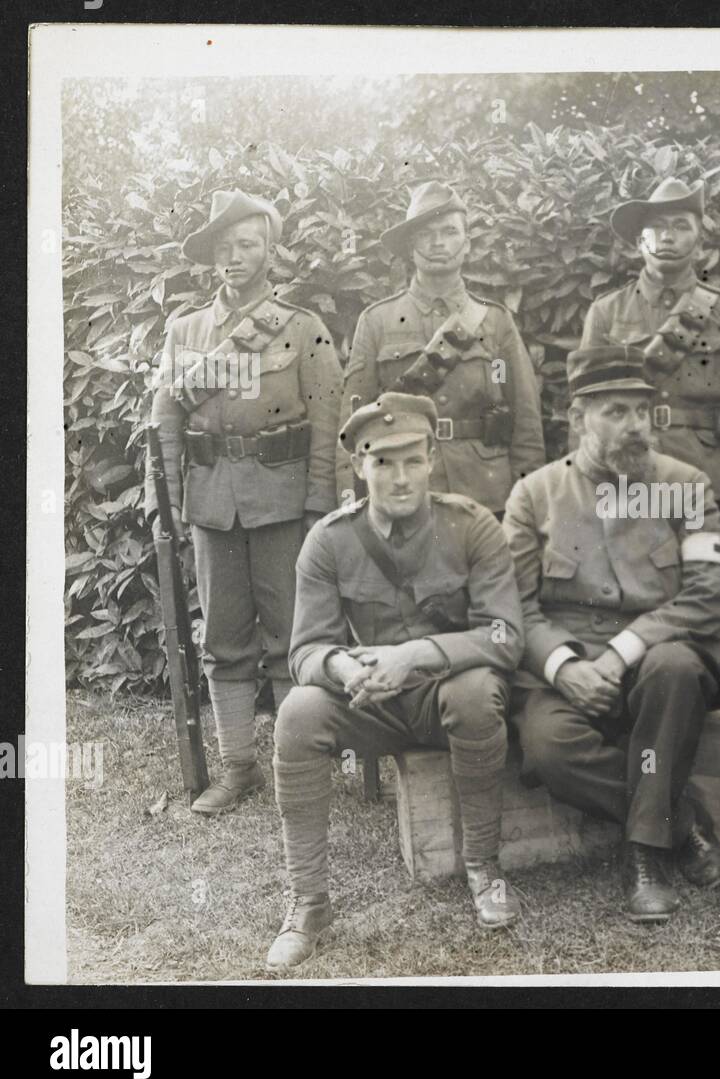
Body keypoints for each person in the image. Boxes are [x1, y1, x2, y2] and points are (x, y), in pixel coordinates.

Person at [267, 393, 526, 970]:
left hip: (444, 697)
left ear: (433, 457)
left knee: (478, 691)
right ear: (360, 466)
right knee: (298, 713)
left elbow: (506, 637)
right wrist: (340, 667)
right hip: (372, 704)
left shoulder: (472, 526)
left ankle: (484, 869)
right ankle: (308, 901)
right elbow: (304, 650)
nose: (399, 477)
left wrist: (414, 655)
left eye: (412, 460)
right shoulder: (330, 540)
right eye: (382, 462)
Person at [503, 345, 720, 922]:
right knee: (548, 748)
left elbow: (710, 594)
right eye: (616, 412)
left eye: (642, 410)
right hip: (572, 664)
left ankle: (645, 856)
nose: (635, 426)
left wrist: (623, 650)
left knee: (674, 667)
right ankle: (681, 823)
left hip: (671, 653)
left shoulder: (686, 484)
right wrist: (564, 667)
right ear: (577, 416)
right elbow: (511, 607)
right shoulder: (534, 494)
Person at [143, 188, 342, 815]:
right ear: (211, 258)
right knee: (223, 637)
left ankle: (296, 766)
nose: (235, 257)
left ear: (269, 251)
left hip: (283, 503)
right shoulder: (185, 331)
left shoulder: (303, 329)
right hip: (211, 506)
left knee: (291, 636)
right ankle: (238, 768)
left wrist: (318, 508)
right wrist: (163, 505)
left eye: (247, 245)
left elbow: (328, 420)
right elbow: (164, 423)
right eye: (224, 248)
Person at [337, 181, 545, 516]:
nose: (437, 243)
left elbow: (525, 424)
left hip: (485, 492)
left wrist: (527, 508)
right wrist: (350, 503)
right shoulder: (376, 321)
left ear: (467, 245)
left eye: (449, 232)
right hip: (404, 491)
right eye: (426, 234)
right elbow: (352, 425)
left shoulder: (494, 322)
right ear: (410, 246)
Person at [579, 177, 720, 547]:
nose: (668, 237)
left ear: (699, 244)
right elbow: (586, 406)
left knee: (707, 583)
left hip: (708, 477)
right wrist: (586, 484)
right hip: (627, 476)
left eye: (682, 227)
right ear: (639, 243)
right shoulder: (606, 311)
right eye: (657, 228)